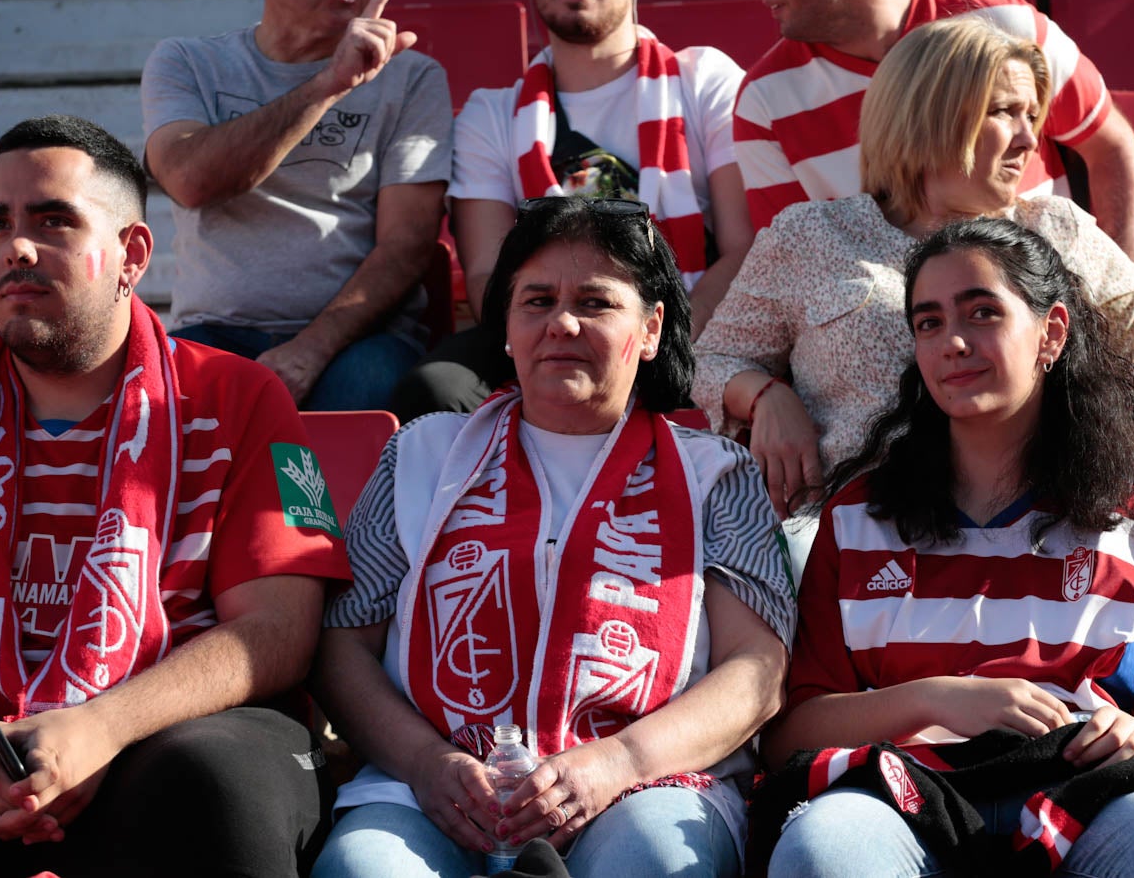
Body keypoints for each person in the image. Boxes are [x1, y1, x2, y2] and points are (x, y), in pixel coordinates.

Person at [0, 116, 350, 877]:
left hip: (160, 743)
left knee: (217, 784)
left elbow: (278, 631)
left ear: (131, 255)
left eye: (52, 221)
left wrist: (101, 728)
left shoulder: (244, 398)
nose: (15, 247)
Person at [310, 196, 794, 878]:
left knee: (651, 862)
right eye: (536, 300)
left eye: (595, 302)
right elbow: (343, 646)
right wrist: (426, 762)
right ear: (505, 326)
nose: (561, 322)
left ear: (652, 328)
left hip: (645, 788)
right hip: (429, 795)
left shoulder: (718, 473)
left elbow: (758, 673)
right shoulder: (419, 453)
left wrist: (616, 763)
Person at [761, 217, 1134, 878]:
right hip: (899, 793)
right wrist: (938, 698)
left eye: (982, 312)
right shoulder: (858, 517)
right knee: (825, 852)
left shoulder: (1133, 522)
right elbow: (792, 734)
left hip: (1090, 794)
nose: (952, 342)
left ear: (1052, 332)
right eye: (928, 322)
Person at [692, 15, 1134, 529]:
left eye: (1032, 116)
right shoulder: (811, 234)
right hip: (849, 537)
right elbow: (709, 360)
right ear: (927, 114)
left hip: (1040, 532)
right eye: (1004, 112)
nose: (1029, 140)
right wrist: (763, 395)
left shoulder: (1058, 229)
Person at [391, 0, 754, 422]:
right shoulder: (491, 114)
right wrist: (569, 335)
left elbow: (744, 249)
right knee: (435, 390)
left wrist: (656, 334)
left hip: (687, 323)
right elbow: (488, 275)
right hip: (547, 331)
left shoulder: (703, 79)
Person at [686, 0, 1134, 263]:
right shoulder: (764, 99)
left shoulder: (1005, 23)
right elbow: (797, 264)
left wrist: (1118, 305)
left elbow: (1109, 148)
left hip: (1045, 318)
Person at [141, 0, 451, 410]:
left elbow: (406, 247)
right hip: (216, 332)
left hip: (357, 339)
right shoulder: (187, 63)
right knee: (161, 409)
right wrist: (328, 85)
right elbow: (190, 179)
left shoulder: (413, 77)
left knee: (367, 395)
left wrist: (311, 348)